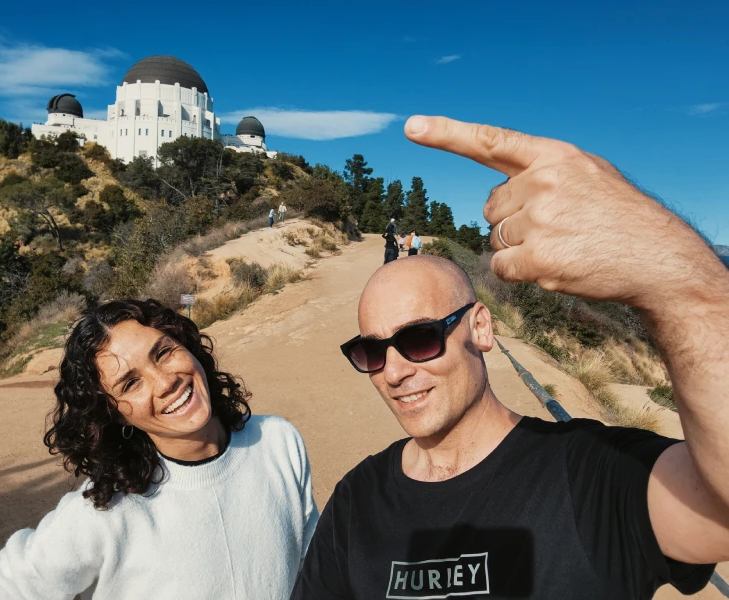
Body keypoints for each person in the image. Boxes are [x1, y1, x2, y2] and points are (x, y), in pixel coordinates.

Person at [291, 116, 729, 599]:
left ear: (481, 327)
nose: (393, 372)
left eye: (418, 339)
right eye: (371, 351)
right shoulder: (356, 500)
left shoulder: (591, 474)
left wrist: (687, 285)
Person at [0, 299, 318, 599]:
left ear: (188, 347)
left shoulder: (277, 442)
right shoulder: (109, 510)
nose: (165, 382)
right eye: (130, 383)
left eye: (163, 353)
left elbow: (313, 570)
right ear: (115, 415)